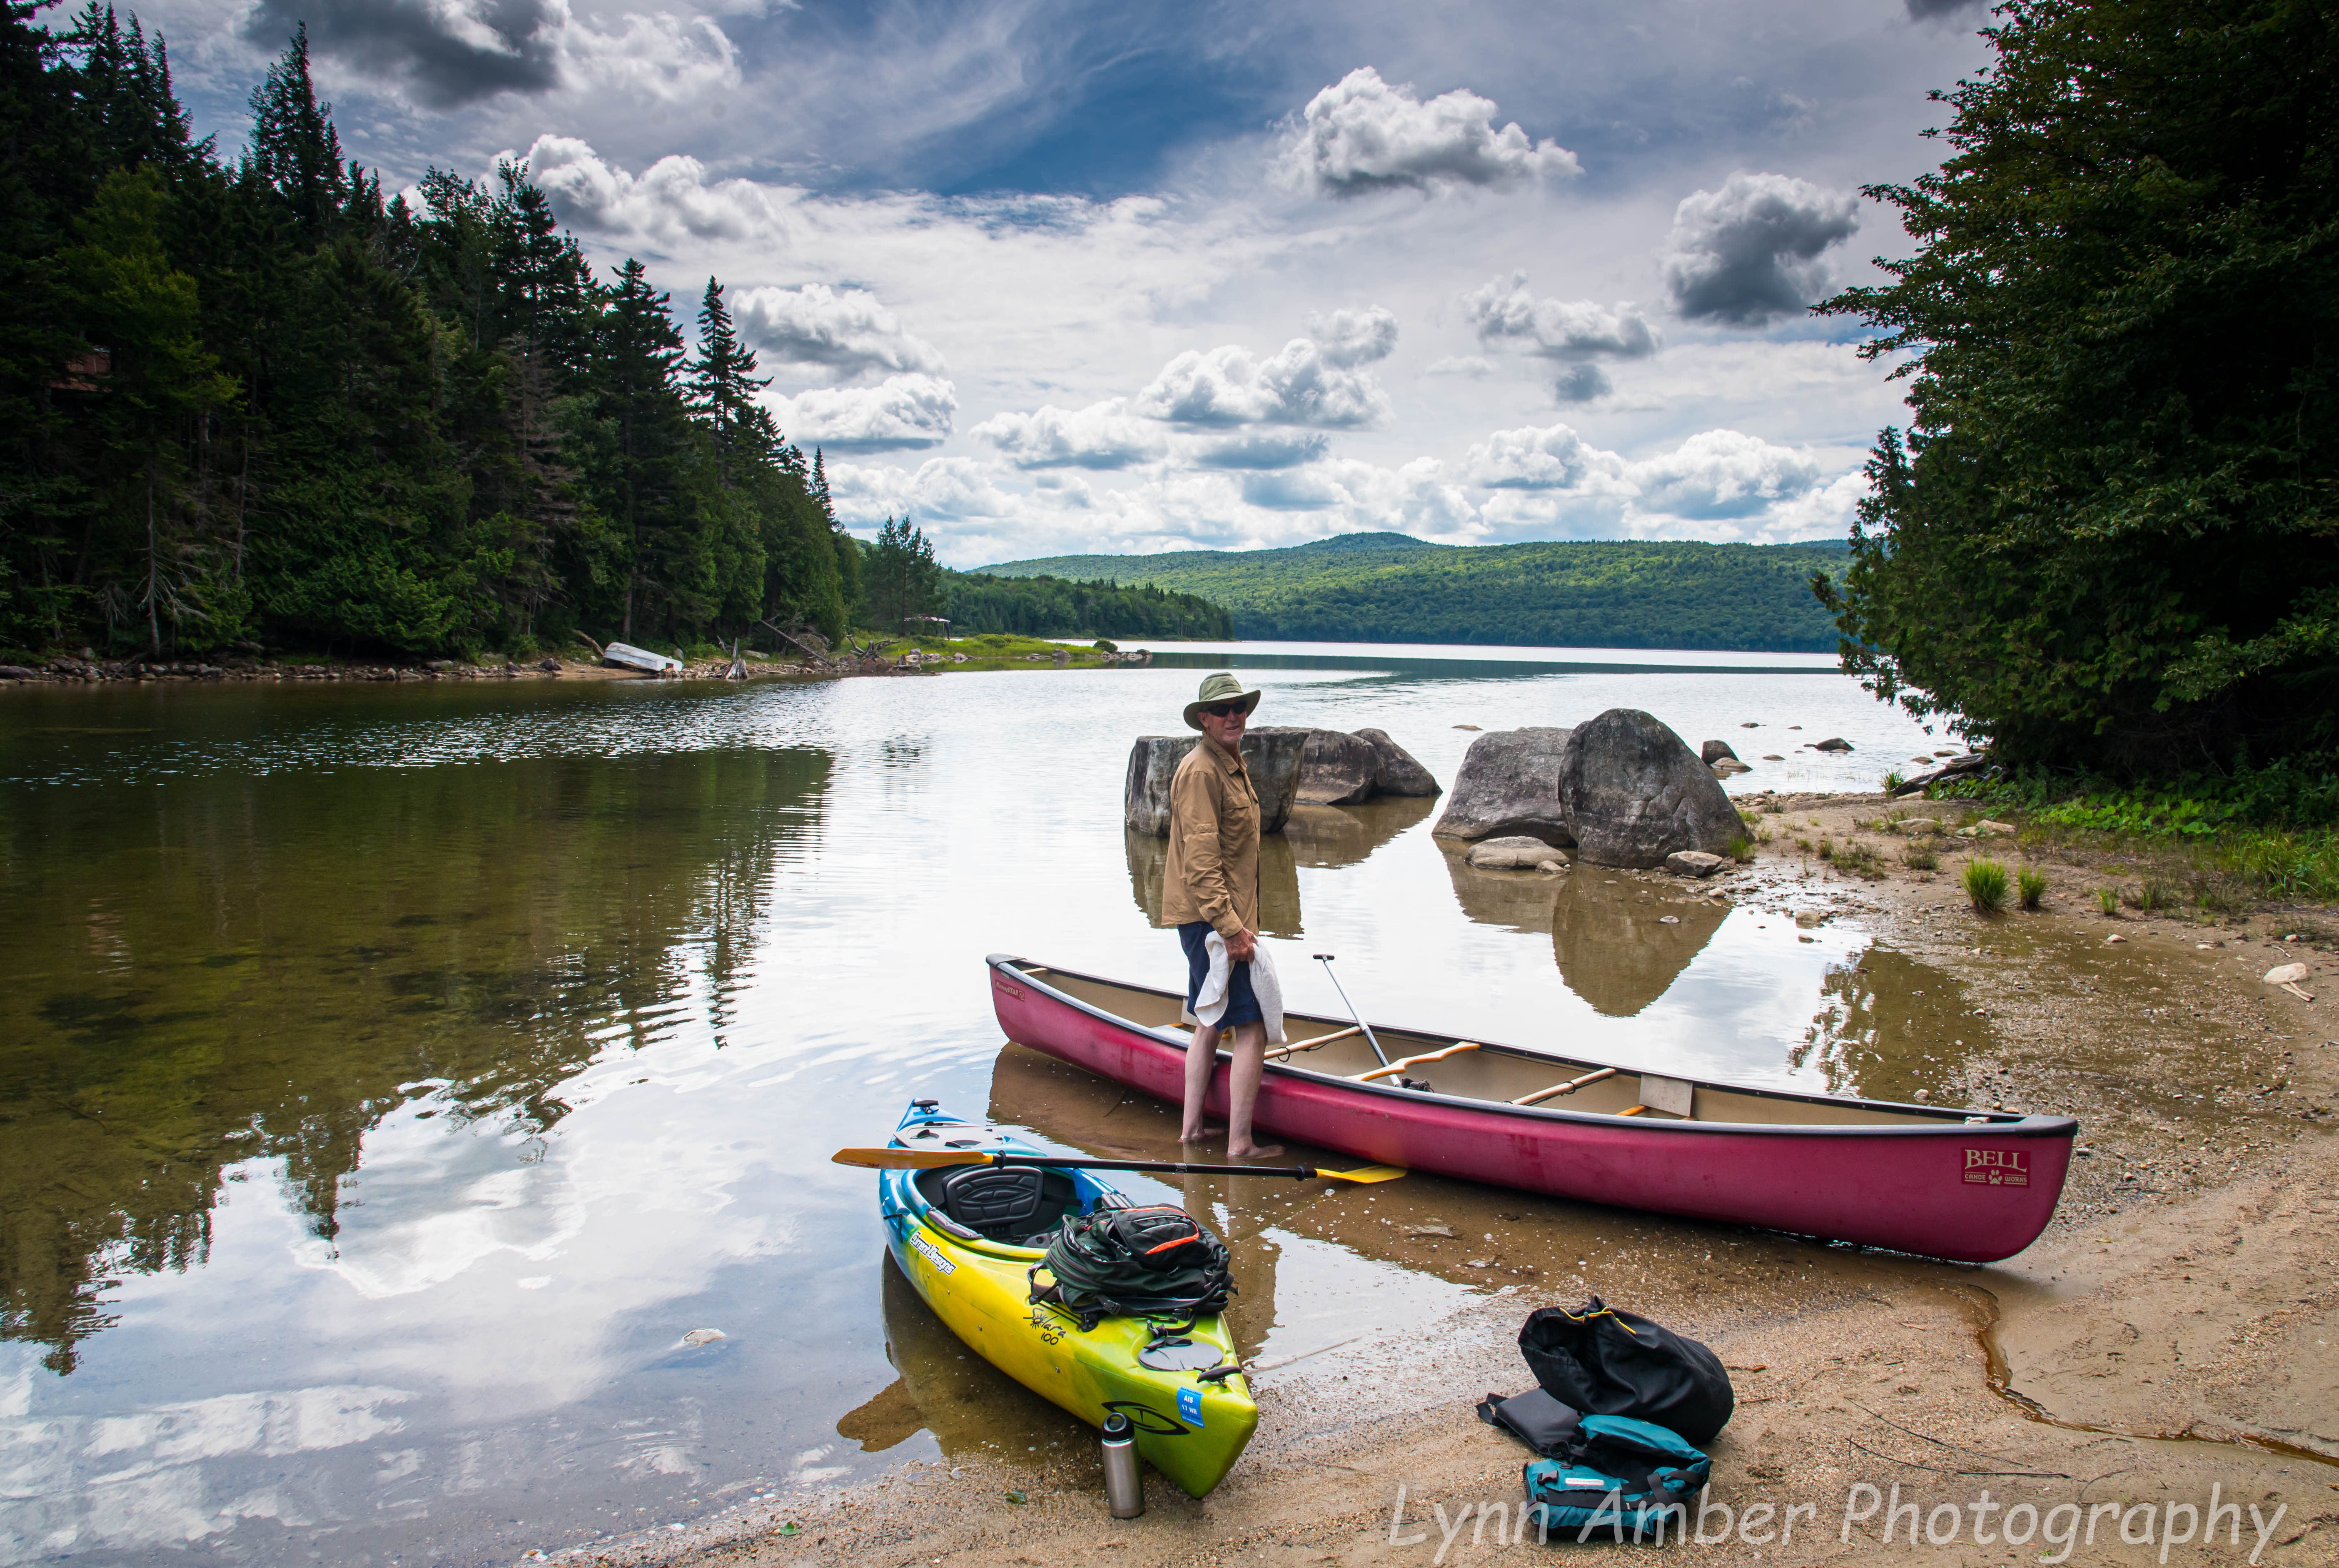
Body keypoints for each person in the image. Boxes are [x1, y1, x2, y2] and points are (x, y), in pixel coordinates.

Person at [1162, 672, 1283, 1160]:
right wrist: (1231, 929)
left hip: (1217, 916)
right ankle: (1240, 1144)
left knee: (1209, 1019)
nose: (1234, 716)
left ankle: (1192, 1131)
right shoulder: (1201, 772)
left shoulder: (1231, 762)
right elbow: (1201, 861)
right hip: (1212, 918)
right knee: (1251, 1025)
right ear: (1205, 719)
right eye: (1223, 710)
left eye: (1240, 708)